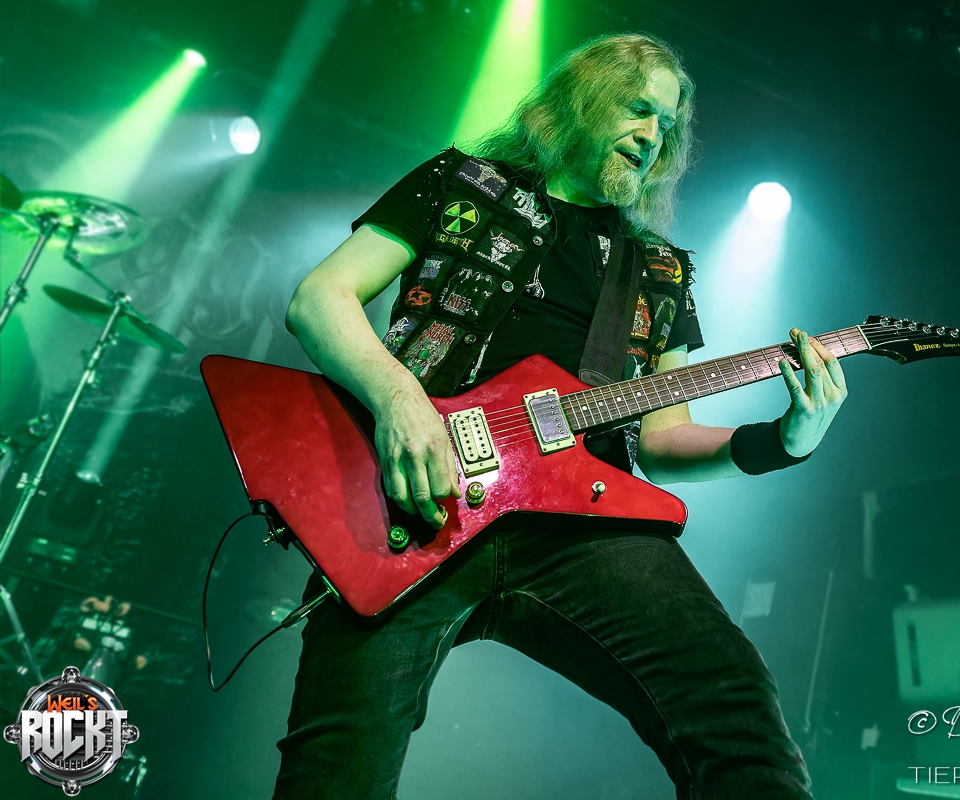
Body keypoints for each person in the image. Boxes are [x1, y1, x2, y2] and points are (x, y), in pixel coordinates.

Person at [276, 32, 846, 800]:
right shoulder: (462, 183)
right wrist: (400, 401)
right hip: (413, 502)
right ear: (581, 99)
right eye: (638, 108)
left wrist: (786, 440)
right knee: (333, 773)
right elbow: (320, 299)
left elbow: (665, 441)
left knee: (734, 702)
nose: (652, 135)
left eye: (667, 125)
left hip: (581, 523)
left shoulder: (660, 270)